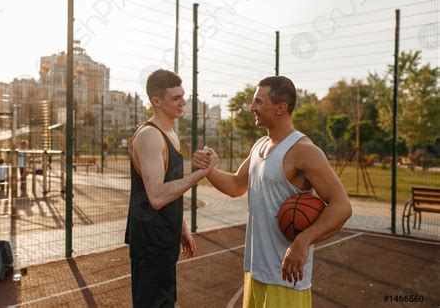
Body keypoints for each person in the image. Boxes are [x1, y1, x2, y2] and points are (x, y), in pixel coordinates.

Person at [192, 76, 352, 308]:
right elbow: (237, 185)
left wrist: (303, 241)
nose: (251, 107)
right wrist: (209, 170)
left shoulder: (305, 150)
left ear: (281, 107)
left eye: (258, 101)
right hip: (255, 271)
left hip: (285, 278)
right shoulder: (260, 145)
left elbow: (342, 206)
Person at [124, 69, 218, 308]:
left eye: (183, 95)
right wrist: (200, 174)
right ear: (156, 101)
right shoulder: (150, 136)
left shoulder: (171, 135)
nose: (183, 102)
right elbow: (156, 196)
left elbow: (170, 189)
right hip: (150, 243)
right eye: (176, 98)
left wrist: (181, 226)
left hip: (165, 238)